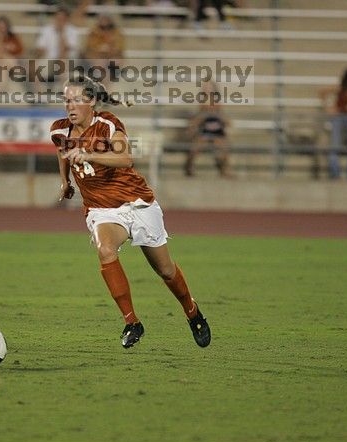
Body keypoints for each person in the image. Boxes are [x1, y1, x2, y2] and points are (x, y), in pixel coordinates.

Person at [50, 76, 211, 349]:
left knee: (165, 270)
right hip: (101, 209)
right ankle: (132, 322)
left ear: (91, 101)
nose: (70, 105)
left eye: (76, 99)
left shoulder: (108, 124)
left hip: (135, 203)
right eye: (67, 100)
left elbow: (125, 159)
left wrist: (88, 155)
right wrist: (65, 181)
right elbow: (61, 152)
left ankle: (192, 311)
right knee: (105, 250)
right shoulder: (59, 130)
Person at [319, 68, 347, 180]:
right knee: (335, 144)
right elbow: (322, 92)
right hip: (339, 116)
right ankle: (335, 173)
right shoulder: (341, 88)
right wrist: (328, 108)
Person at [185, 81, 233, 177]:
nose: (206, 89)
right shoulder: (202, 101)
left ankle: (225, 170)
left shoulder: (217, 101)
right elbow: (199, 117)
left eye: (208, 87)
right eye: (205, 87)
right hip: (205, 130)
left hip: (217, 130)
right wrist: (193, 125)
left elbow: (222, 116)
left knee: (223, 148)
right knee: (195, 148)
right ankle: (189, 168)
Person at [83, 15, 124, 83]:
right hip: (97, 57)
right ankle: (101, 83)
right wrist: (101, 50)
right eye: (102, 27)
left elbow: (118, 49)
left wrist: (108, 50)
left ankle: (105, 83)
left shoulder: (116, 33)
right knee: (101, 62)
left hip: (111, 57)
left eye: (107, 27)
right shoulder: (93, 32)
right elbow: (90, 48)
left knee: (113, 61)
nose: (105, 29)